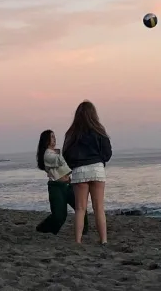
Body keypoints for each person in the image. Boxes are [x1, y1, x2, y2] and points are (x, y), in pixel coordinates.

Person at [63, 100, 112, 244]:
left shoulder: (72, 133)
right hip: (97, 169)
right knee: (99, 208)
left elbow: (66, 154)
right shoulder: (99, 131)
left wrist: (74, 165)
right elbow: (107, 153)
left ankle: (78, 240)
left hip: (79, 170)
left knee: (80, 208)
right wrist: (99, 160)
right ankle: (103, 240)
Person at [35, 130, 89, 235]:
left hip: (68, 185)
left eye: (54, 136)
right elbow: (60, 160)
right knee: (59, 216)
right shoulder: (47, 154)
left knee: (81, 207)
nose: (54, 138)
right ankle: (43, 228)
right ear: (46, 140)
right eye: (51, 137)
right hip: (56, 187)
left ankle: (83, 231)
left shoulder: (54, 152)